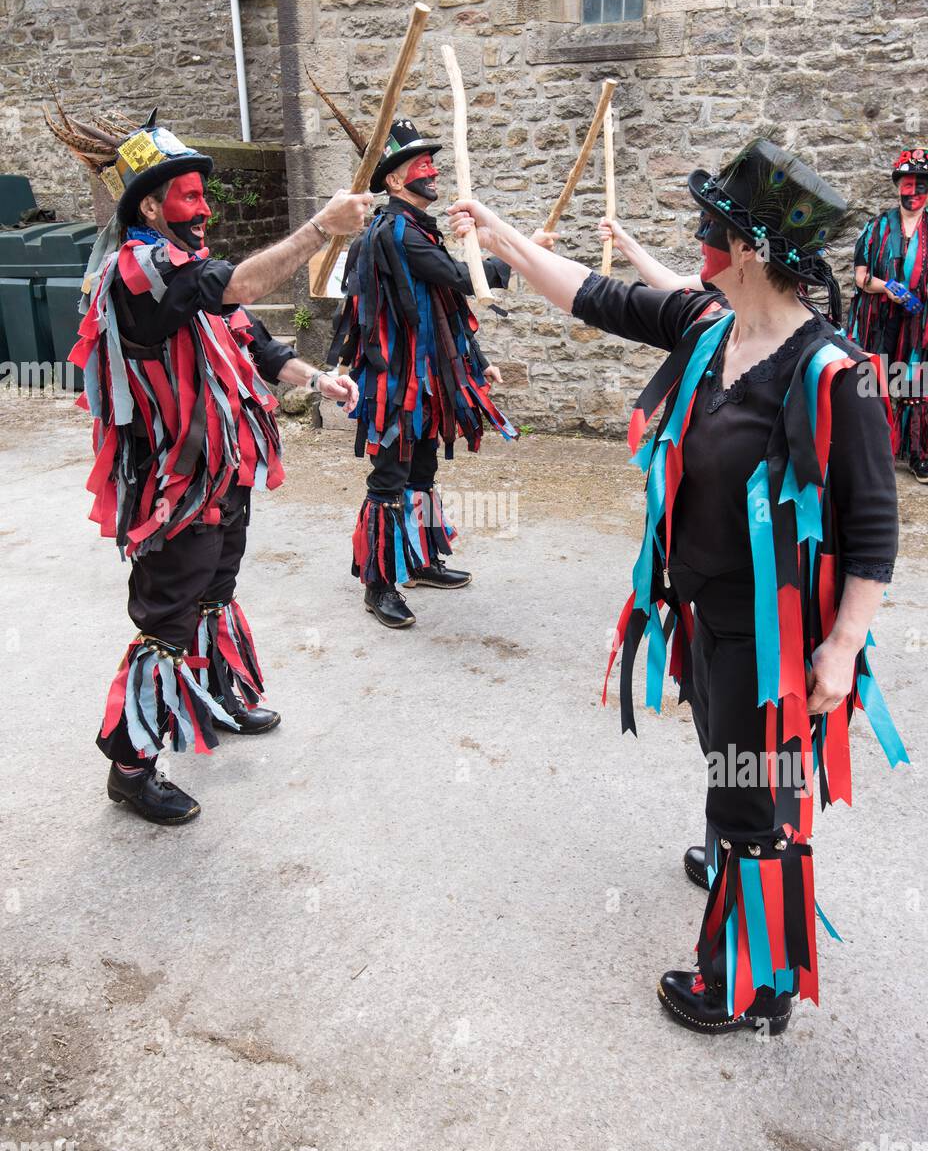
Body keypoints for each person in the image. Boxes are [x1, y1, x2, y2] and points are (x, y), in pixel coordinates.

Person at [449, 138, 905, 1036]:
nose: (696, 241)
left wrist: (844, 649)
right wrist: (502, 238)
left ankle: (746, 984)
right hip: (704, 612)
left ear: (747, 252)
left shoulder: (832, 374)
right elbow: (595, 294)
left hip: (772, 635)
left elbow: (876, 531)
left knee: (755, 789)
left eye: (710, 230)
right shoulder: (709, 328)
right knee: (732, 764)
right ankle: (732, 852)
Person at [46, 103, 370, 825]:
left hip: (225, 473)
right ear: (150, 205)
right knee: (167, 614)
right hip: (173, 485)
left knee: (215, 592)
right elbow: (243, 289)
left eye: (202, 192)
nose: (201, 206)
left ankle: (214, 697)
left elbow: (254, 339)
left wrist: (318, 379)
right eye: (185, 194)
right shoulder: (141, 270)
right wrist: (323, 227)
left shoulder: (189, 266)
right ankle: (129, 768)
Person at [326, 115, 518, 629]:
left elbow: (442, 307)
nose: (432, 171)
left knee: (423, 472)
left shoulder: (416, 230)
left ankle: (421, 558)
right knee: (389, 478)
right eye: (420, 164)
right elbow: (458, 280)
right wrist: (513, 255)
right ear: (393, 180)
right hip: (392, 382)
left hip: (425, 381)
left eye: (433, 162)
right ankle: (379, 584)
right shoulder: (397, 234)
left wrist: (476, 362)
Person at [848, 148, 928, 481]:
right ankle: (872, 449)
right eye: (907, 185)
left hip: (919, 320)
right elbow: (860, 276)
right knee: (873, 380)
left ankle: (916, 452)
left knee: (915, 381)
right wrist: (887, 288)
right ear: (898, 187)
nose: (913, 192)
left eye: (920, 185)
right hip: (877, 318)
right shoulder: (877, 227)